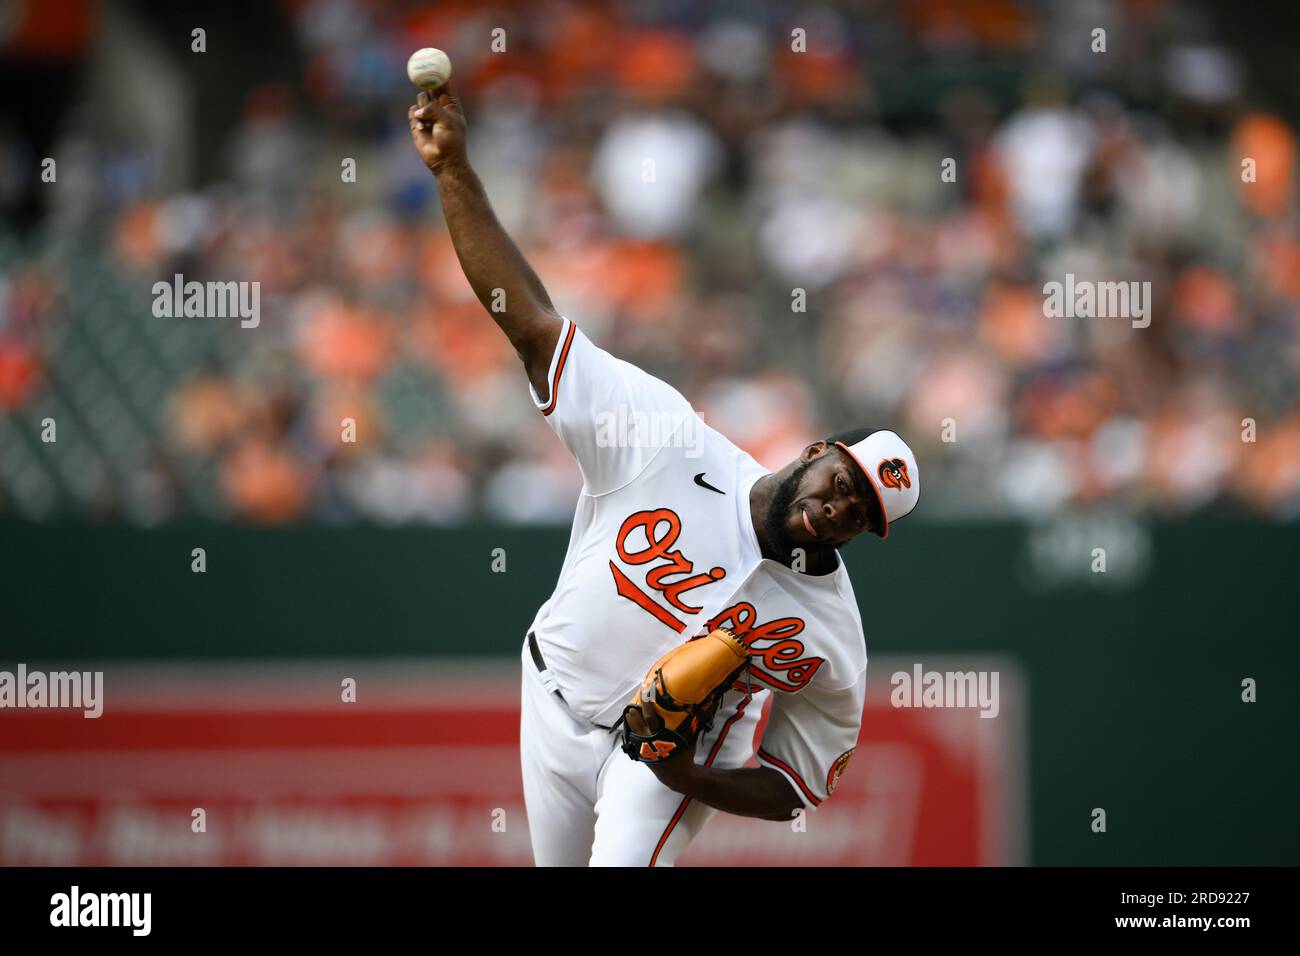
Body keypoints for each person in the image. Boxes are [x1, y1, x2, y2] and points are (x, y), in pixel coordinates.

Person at [408, 82, 920, 866]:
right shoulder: (668, 440)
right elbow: (533, 326)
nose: (841, 510)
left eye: (863, 517)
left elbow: (796, 788)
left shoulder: (831, 633)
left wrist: (682, 770)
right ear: (816, 451)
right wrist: (454, 175)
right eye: (845, 484)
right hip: (548, 692)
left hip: (659, 760)